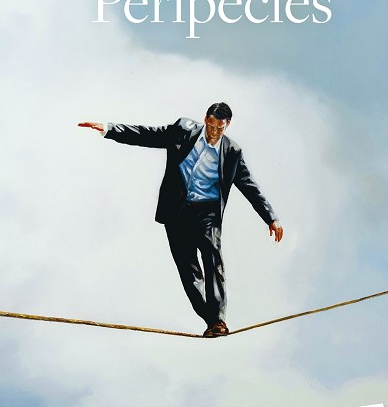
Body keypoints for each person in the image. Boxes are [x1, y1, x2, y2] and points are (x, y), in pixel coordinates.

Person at [79, 102, 283, 338]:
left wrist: (270, 217)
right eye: (211, 126)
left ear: (227, 125)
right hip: (177, 211)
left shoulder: (232, 152)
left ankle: (218, 319)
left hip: (207, 213)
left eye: (220, 129)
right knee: (189, 271)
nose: (214, 133)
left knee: (213, 257)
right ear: (205, 119)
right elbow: (148, 135)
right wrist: (109, 129)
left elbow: (249, 186)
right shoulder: (183, 130)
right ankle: (211, 321)